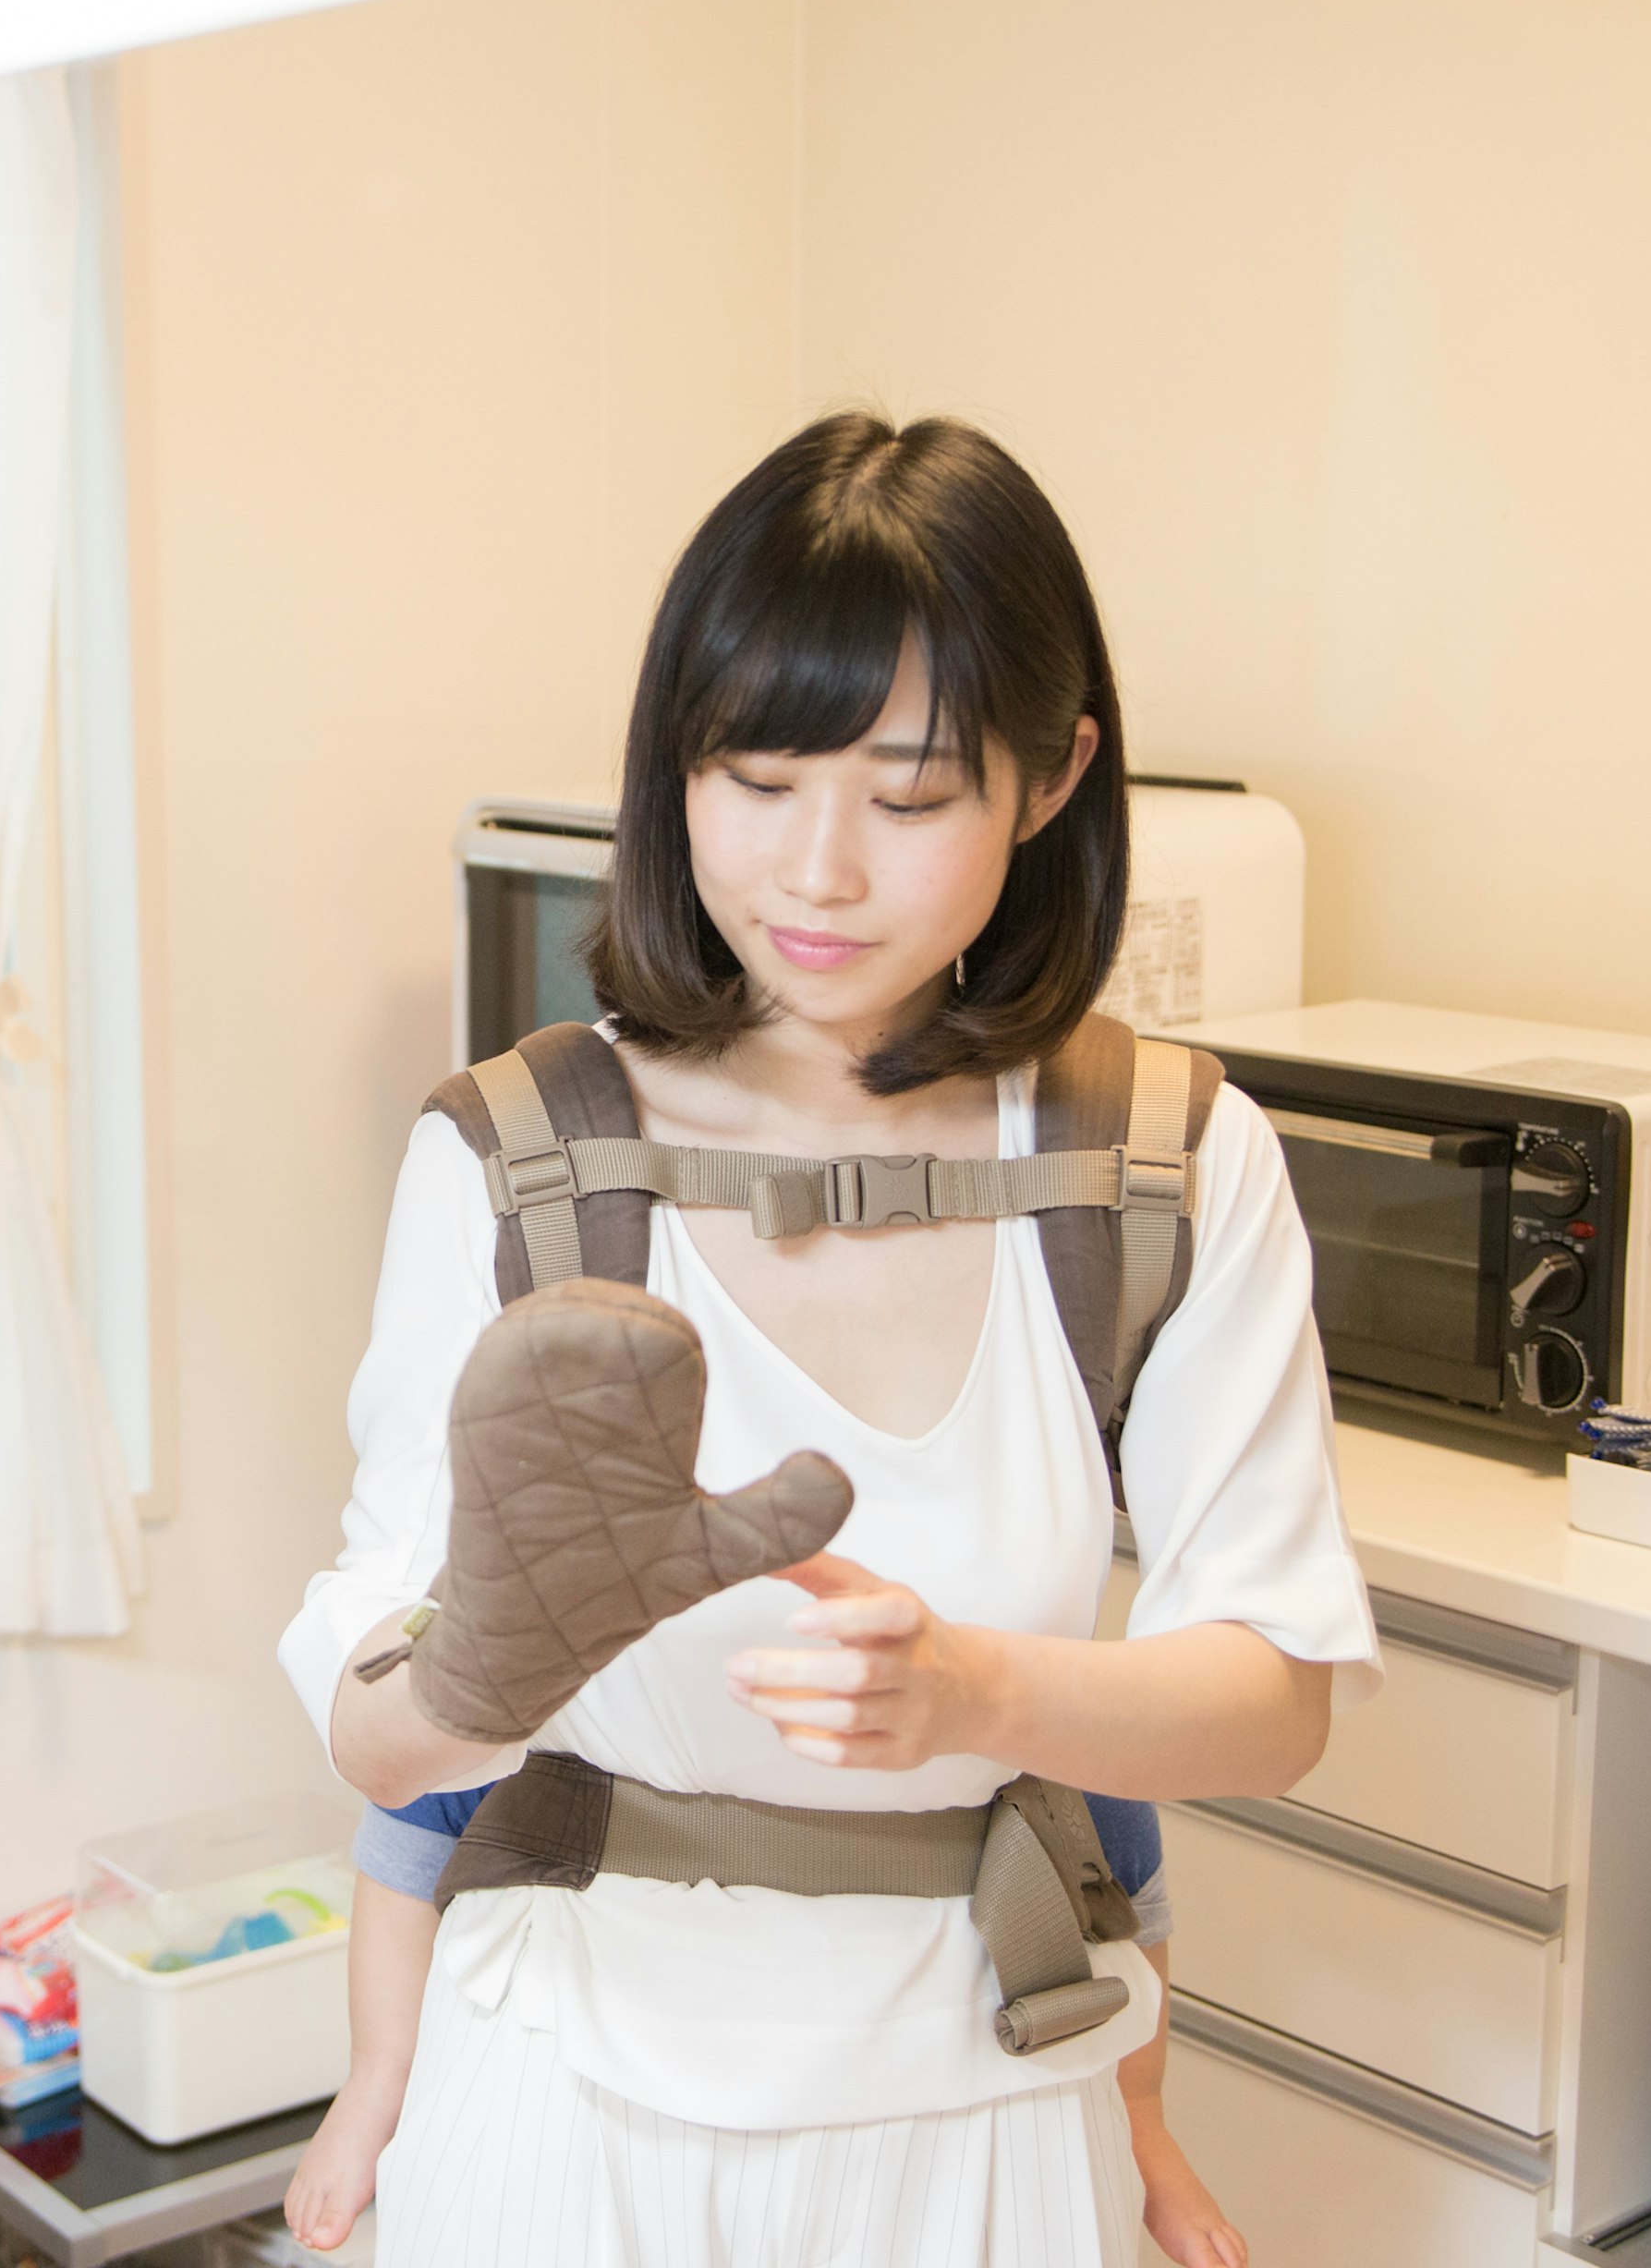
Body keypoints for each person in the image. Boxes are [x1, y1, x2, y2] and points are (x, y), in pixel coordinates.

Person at [276, 411, 1377, 2268]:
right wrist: (490, 1659)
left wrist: (978, 1694)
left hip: (996, 2097)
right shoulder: (518, 1156)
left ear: (1051, 774)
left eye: (913, 790)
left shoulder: (1162, 1162)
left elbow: (1280, 1697)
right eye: (757, 775)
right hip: (566, 2092)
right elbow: (377, 1742)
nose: (820, 868)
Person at [285, 1787, 1249, 2266]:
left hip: (962, 2025)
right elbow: (413, 1832)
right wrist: (379, 2075)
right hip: (593, 2018)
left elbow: (1119, 1877)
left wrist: (1142, 2108)